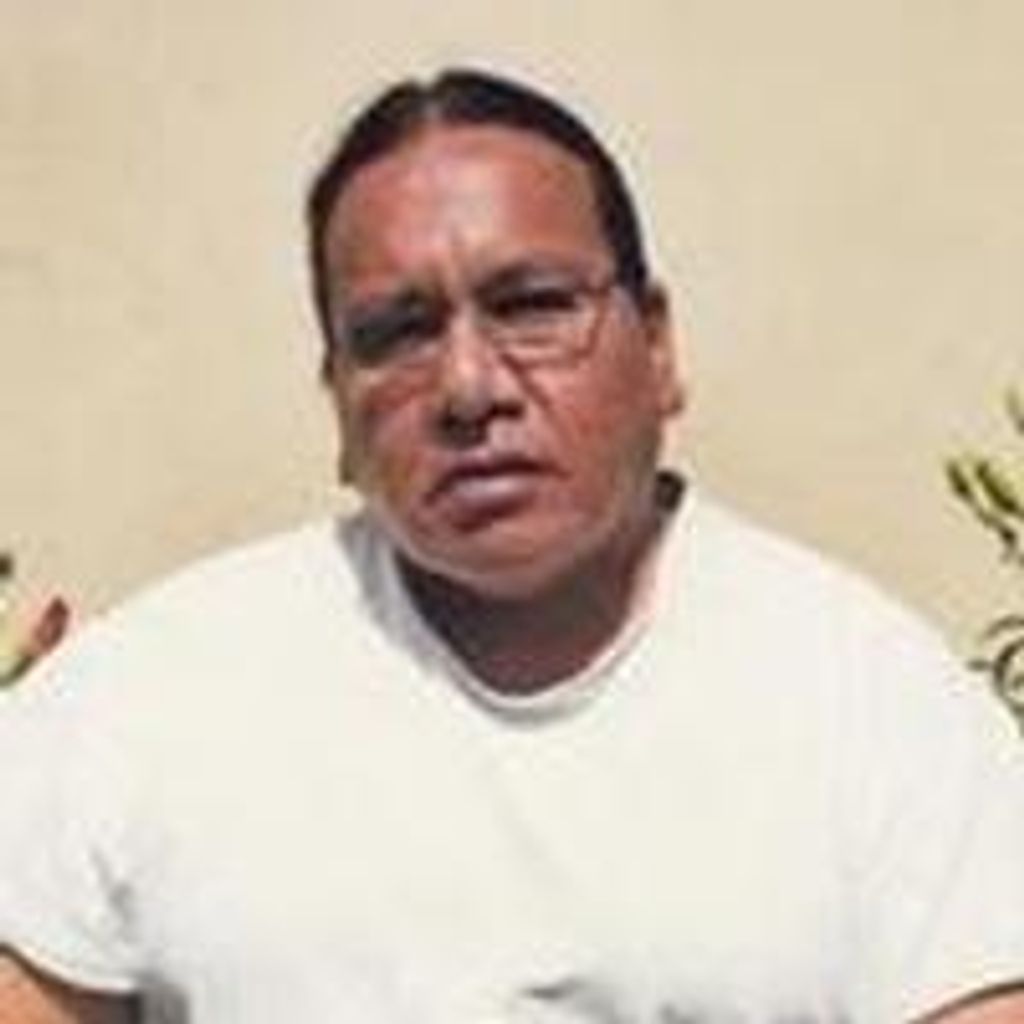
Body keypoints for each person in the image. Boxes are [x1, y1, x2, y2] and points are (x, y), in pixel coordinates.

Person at [1, 68, 1023, 1024]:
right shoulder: (142, 707)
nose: (468, 387)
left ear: (657, 347)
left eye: (533, 307)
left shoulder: (875, 714)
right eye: (397, 331)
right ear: (337, 401)